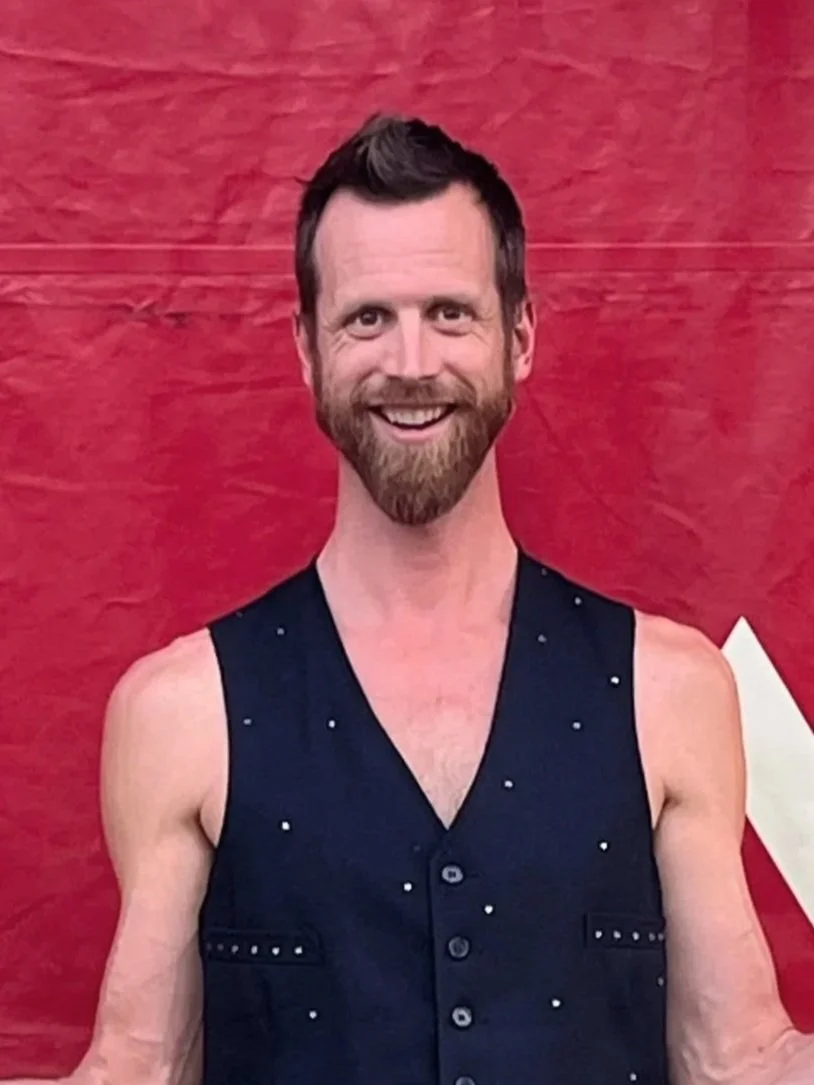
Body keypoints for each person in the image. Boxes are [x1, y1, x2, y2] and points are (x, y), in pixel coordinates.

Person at [7, 114, 813, 1085]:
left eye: (450, 313)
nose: (412, 361)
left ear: (517, 338)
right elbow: (137, 1067)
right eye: (366, 317)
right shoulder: (178, 710)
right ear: (307, 348)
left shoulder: (669, 689)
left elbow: (736, 1058)